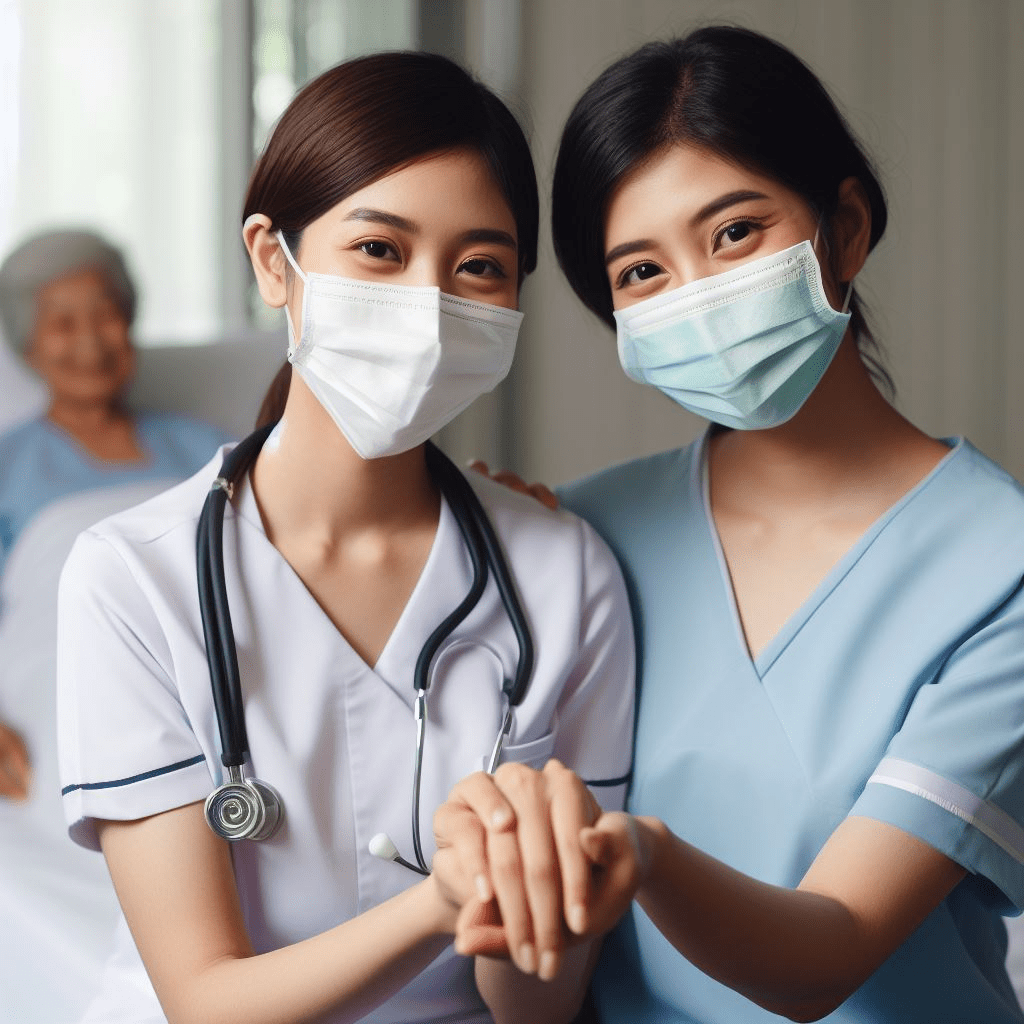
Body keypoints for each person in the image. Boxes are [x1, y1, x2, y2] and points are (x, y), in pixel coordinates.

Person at [438, 26, 1024, 1024]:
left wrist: (646, 854)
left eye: (735, 233)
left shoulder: (996, 565)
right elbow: (529, 984)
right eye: (641, 273)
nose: (698, 297)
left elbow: (826, 953)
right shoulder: (577, 538)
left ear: (844, 227)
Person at [55, 52, 634, 1024]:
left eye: (478, 266)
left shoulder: (564, 572)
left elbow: (538, 1006)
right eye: (379, 250)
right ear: (273, 260)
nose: (427, 303)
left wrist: (525, 896)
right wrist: (444, 899)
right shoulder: (130, 579)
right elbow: (205, 1001)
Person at [0, 229, 229, 1023]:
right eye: (63, 321)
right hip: (54, 694)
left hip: (204, 672)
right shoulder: (8, 464)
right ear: (27, 342)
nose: (90, 341)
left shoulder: (205, 447)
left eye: (106, 315)